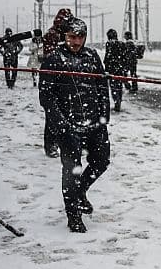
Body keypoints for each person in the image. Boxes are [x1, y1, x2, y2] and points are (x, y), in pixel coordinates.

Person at [39, 18, 111, 233]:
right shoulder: (53, 60)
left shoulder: (92, 56)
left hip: (94, 123)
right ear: (64, 37)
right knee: (72, 171)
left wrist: (103, 117)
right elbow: (46, 96)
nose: (76, 41)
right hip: (68, 125)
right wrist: (61, 124)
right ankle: (74, 215)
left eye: (80, 37)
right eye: (72, 37)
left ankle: (80, 192)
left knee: (101, 162)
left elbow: (101, 86)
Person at [41, 9, 73, 157]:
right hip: (52, 79)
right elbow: (50, 57)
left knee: (68, 113)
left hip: (67, 79)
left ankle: (64, 143)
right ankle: (51, 145)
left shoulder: (68, 34)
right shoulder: (52, 34)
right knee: (52, 114)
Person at [103, 28, 126, 112]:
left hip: (112, 69)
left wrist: (106, 67)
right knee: (119, 86)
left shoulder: (109, 44)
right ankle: (119, 101)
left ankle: (117, 102)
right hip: (120, 68)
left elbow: (108, 57)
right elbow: (124, 57)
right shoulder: (122, 44)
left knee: (113, 86)